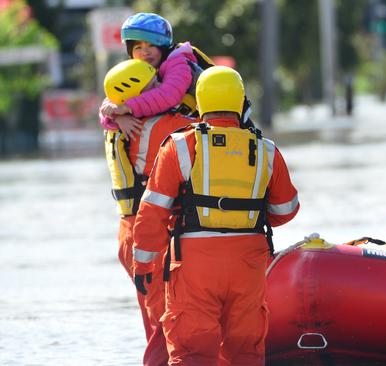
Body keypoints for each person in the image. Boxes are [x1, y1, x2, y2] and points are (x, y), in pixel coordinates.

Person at [132, 66, 300, 365]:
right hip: (248, 261)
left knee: (191, 351)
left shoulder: (181, 146)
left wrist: (143, 266)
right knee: (245, 351)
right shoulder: (266, 149)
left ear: (200, 101)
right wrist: (245, 214)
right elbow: (286, 210)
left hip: (194, 263)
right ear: (240, 102)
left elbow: (151, 214)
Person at [103, 59, 196, 366]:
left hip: (134, 232)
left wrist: (114, 112)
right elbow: (209, 126)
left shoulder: (125, 124)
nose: (157, 93)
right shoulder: (156, 126)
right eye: (150, 87)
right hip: (147, 235)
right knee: (165, 322)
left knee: (157, 322)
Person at [99, 12, 210, 138]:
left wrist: (127, 107)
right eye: (138, 47)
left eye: (151, 45)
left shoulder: (178, 63)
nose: (145, 52)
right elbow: (110, 103)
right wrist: (117, 117)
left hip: (206, 129)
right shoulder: (136, 70)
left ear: (162, 48)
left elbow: (169, 95)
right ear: (130, 52)